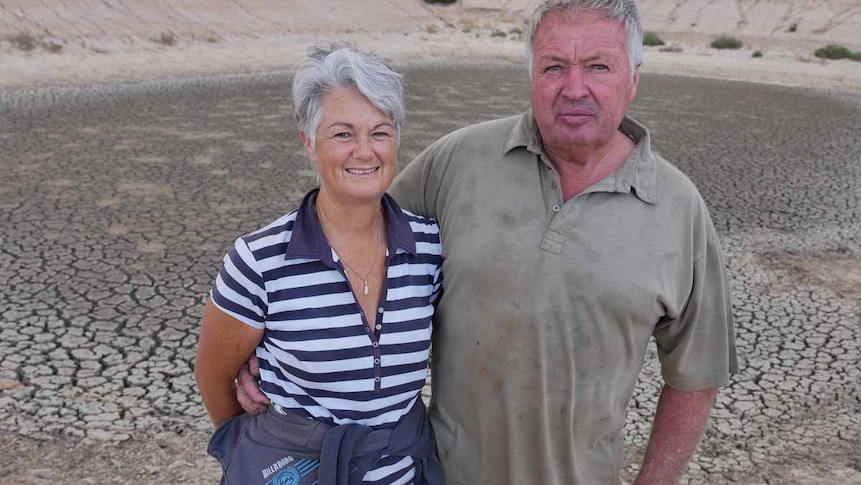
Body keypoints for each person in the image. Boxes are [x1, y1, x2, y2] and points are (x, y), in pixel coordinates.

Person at [238, 0, 738, 483]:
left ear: (633, 77)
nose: (574, 88)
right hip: (441, 475)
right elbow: (352, 238)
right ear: (531, 75)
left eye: (599, 66)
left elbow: (697, 371)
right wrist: (268, 341)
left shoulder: (677, 208)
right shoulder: (458, 162)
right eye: (554, 67)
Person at [195, 43, 444, 485]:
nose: (364, 151)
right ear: (309, 142)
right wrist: (254, 452)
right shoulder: (259, 260)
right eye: (343, 133)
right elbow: (213, 375)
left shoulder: (430, 249)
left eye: (380, 132)